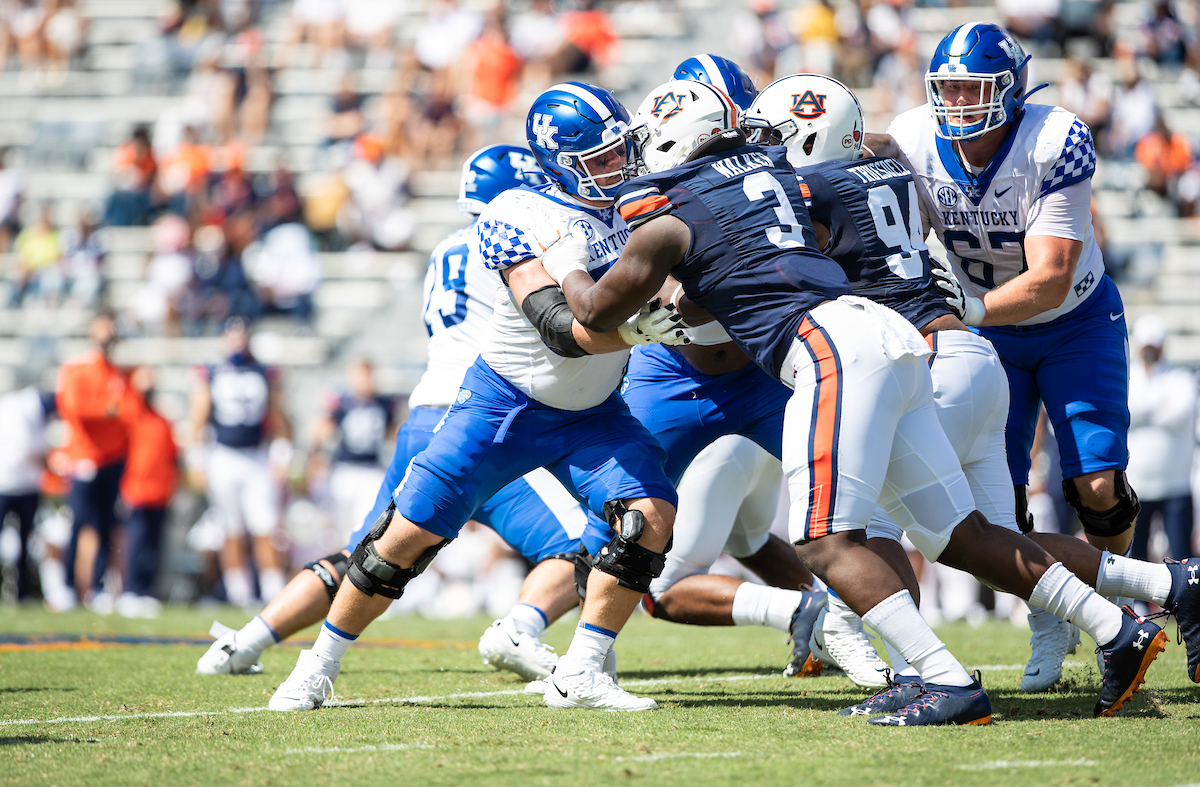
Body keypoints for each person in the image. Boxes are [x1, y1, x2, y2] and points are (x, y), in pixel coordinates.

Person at [532, 78, 1170, 723]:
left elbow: (593, 310)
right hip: (892, 338)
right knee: (959, 534)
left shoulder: (669, 217)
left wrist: (564, 261)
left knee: (822, 542)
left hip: (830, 350)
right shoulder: (775, 171)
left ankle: (944, 679)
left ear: (671, 140)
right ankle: (1119, 629)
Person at [267, 86, 687, 714]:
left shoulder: (637, 206)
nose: (617, 165)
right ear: (560, 163)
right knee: (401, 540)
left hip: (595, 413)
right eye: (599, 158)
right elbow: (557, 328)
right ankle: (317, 666)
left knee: (650, 518)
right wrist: (633, 330)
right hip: (504, 405)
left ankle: (581, 672)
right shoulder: (518, 212)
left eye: (619, 150)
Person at [196, 145, 608, 687]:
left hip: (423, 416)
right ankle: (520, 631)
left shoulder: (444, 250)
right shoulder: (517, 244)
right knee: (584, 544)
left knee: (364, 555)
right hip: (485, 417)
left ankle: (242, 643)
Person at [871, 23, 1198, 689]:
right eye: (948, 88)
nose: (957, 102)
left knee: (1098, 492)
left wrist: (970, 310)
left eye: (972, 88)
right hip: (989, 333)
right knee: (1003, 504)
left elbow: (1050, 276)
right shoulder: (912, 139)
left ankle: (1116, 604)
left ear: (1010, 90)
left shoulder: (1052, 139)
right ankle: (1053, 620)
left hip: (1072, 321)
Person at [186, 318, 291, 606]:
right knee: (230, 526)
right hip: (223, 455)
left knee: (265, 525)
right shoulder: (212, 372)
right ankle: (238, 592)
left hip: (256, 455)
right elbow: (197, 417)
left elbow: (279, 416)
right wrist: (196, 459)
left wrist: (281, 453)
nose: (237, 341)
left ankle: (273, 590)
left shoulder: (264, 372)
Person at [56, 312, 143, 606]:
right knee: (80, 521)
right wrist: (107, 411)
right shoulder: (78, 370)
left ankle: (99, 587)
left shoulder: (119, 373)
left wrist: (111, 413)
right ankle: (68, 586)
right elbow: (75, 409)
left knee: (107, 525)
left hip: (113, 458)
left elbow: (130, 412)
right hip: (85, 457)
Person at [1127, 315, 1196, 562]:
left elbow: (1180, 413)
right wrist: (1159, 404)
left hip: (1175, 485)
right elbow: (1125, 412)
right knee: (1135, 558)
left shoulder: (1180, 377)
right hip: (1136, 485)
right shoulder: (1128, 377)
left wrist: (1141, 410)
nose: (1150, 352)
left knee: (1181, 556)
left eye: (1154, 346)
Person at [309, 359, 396, 544]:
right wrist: (316, 456)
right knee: (338, 526)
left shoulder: (383, 404)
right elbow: (322, 431)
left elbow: (393, 436)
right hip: (344, 468)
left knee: (367, 524)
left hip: (371, 468)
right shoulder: (342, 403)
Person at [116, 367, 178, 619]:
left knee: (152, 545)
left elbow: (172, 455)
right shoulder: (130, 417)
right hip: (136, 491)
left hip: (159, 493)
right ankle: (131, 589)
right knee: (136, 544)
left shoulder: (161, 420)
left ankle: (145, 590)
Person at [0, 384, 55, 600]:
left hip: (29, 486)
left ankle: (22, 591)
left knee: (27, 542)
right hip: (5, 484)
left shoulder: (35, 412)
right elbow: (27, 448)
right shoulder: (17, 409)